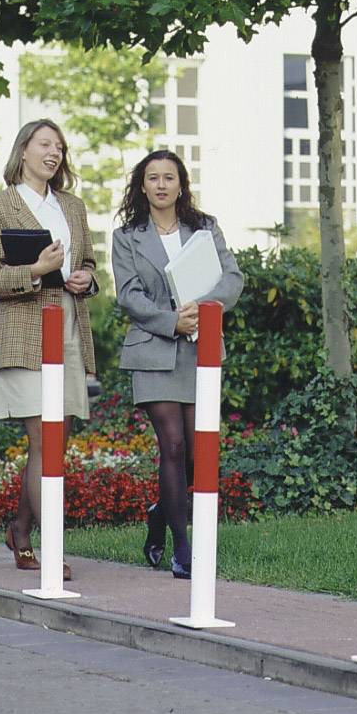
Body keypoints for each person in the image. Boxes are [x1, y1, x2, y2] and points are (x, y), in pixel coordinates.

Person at [0, 119, 98, 580]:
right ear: (23, 149)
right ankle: (52, 546)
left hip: (66, 324)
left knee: (56, 442)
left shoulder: (73, 206)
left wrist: (85, 277)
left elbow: (86, 262)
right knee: (44, 440)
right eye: (45, 145)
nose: (54, 153)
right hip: (24, 330)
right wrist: (36, 268)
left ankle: (19, 531)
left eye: (60, 147)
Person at [112, 150, 243, 579]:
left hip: (199, 349)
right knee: (171, 445)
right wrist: (172, 320)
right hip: (152, 348)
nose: (162, 185)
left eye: (170, 177)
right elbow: (129, 295)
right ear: (143, 186)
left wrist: (202, 310)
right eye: (154, 178)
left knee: (195, 452)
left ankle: (158, 515)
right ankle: (183, 548)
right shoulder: (127, 236)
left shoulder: (204, 228)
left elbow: (232, 278)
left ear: (182, 184)